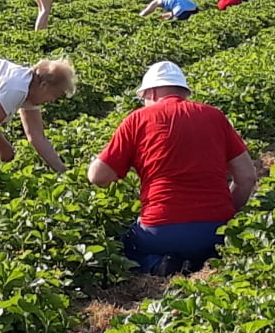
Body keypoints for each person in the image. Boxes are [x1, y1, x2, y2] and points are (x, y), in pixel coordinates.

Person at [87, 61, 257, 276]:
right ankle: (204, 259)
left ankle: (157, 264)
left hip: (160, 231)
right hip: (216, 232)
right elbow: (247, 177)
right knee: (208, 246)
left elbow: (97, 176)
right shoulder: (215, 116)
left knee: (124, 247)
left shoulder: (137, 120)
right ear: (183, 92)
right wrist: (222, 216)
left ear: (152, 92)